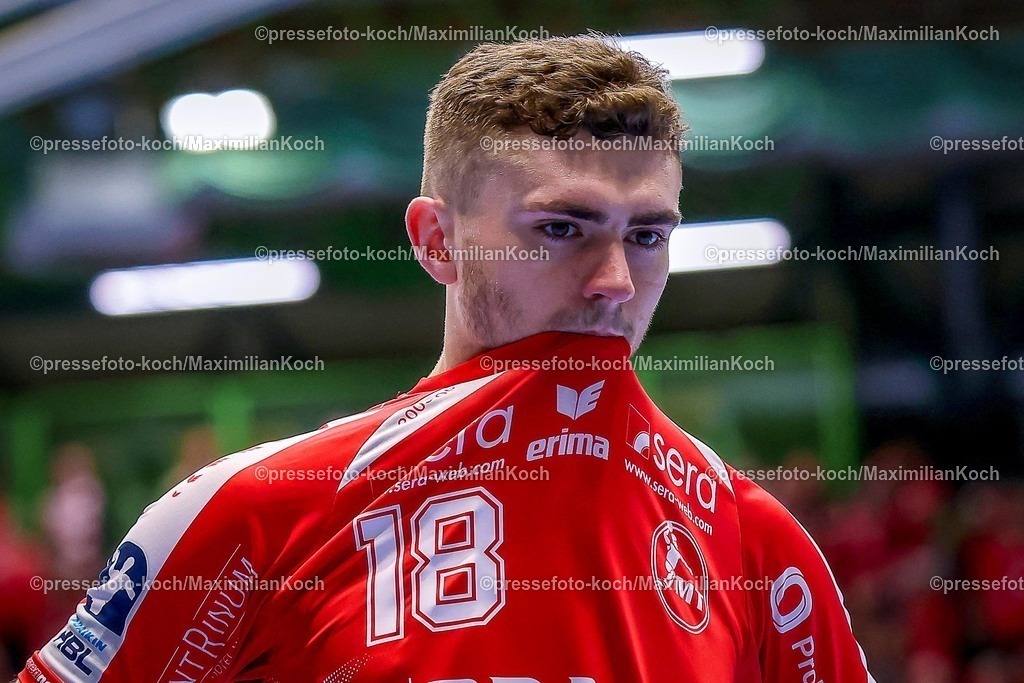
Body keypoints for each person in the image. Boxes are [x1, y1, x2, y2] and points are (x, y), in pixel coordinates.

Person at [20, 33, 874, 682]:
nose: (614, 280)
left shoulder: (758, 546)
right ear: (437, 241)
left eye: (647, 235)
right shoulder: (254, 515)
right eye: (562, 229)